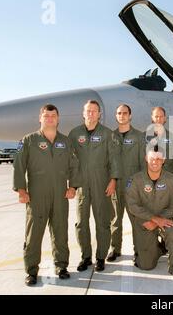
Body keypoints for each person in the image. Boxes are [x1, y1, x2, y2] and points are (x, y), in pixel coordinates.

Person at [13, 104, 79, 286]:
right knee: (34, 234)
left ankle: (61, 266)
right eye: (46, 115)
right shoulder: (28, 140)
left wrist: (73, 186)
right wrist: (21, 190)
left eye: (53, 115)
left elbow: (74, 166)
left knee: (60, 231)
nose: (49, 118)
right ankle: (31, 271)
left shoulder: (66, 142)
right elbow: (19, 165)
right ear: (40, 118)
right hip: (36, 195)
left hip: (60, 194)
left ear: (58, 119)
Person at [68, 100, 121, 272]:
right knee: (81, 223)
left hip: (102, 183)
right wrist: (72, 184)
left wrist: (113, 180)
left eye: (94, 111)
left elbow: (114, 159)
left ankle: (100, 257)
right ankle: (86, 257)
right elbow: (68, 159)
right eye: (88, 111)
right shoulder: (75, 134)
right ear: (83, 113)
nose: (91, 114)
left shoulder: (107, 134)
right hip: (82, 184)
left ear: (99, 114)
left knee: (102, 222)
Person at [126, 149, 173, 281]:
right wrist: (153, 219)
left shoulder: (171, 179)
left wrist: (159, 220)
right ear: (146, 158)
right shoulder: (135, 180)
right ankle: (158, 249)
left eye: (159, 159)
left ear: (163, 161)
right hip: (144, 221)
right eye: (152, 158)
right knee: (146, 265)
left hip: (165, 219)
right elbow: (133, 206)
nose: (155, 162)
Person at [107, 104, 146, 262]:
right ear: (116, 116)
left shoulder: (138, 136)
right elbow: (108, 161)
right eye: (119, 113)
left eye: (125, 113)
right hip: (116, 184)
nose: (122, 116)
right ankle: (115, 249)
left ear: (130, 116)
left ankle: (138, 251)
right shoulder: (111, 136)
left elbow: (143, 163)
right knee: (115, 219)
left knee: (136, 220)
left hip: (133, 186)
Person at [146, 107, 173, 174]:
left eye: (161, 116)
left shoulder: (172, 137)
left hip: (167, 175)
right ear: (152, 118)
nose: (158, 119)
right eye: (156, 116)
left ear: (165, 118)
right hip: (148, 176)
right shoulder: (143, 136)